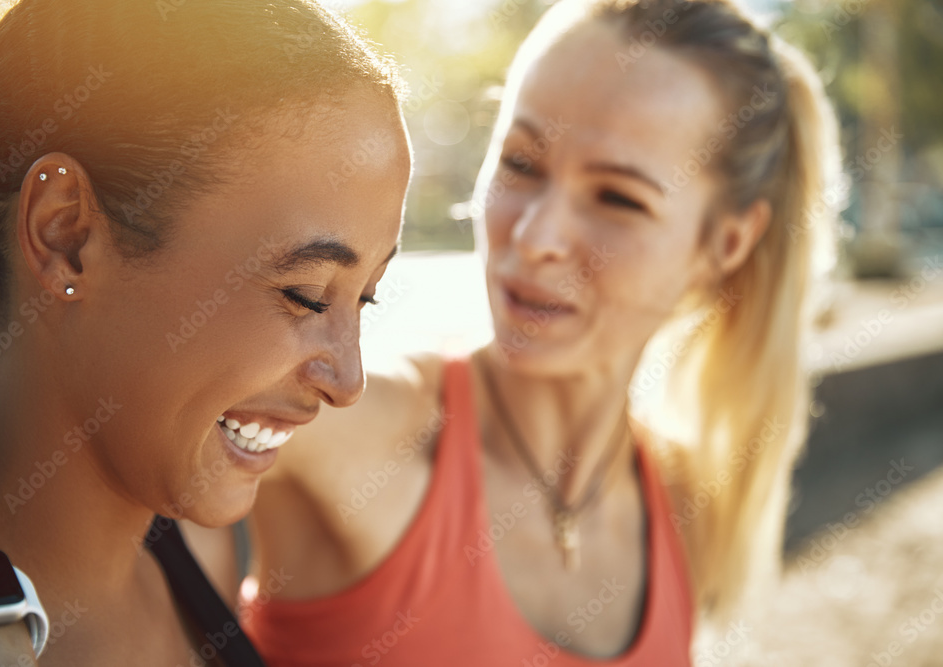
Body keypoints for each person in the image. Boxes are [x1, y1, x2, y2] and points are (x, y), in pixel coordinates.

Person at [237, 0, 841, 663]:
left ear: (724, 243)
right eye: (521, 163)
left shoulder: (686, 512)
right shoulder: (339, 429)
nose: (536, 237)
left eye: (618, 197)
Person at [0, 0, 411, 665]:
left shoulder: (207, 563)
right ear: (64, 233)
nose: (348, 380)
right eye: (304, 295)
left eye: (365, 298)